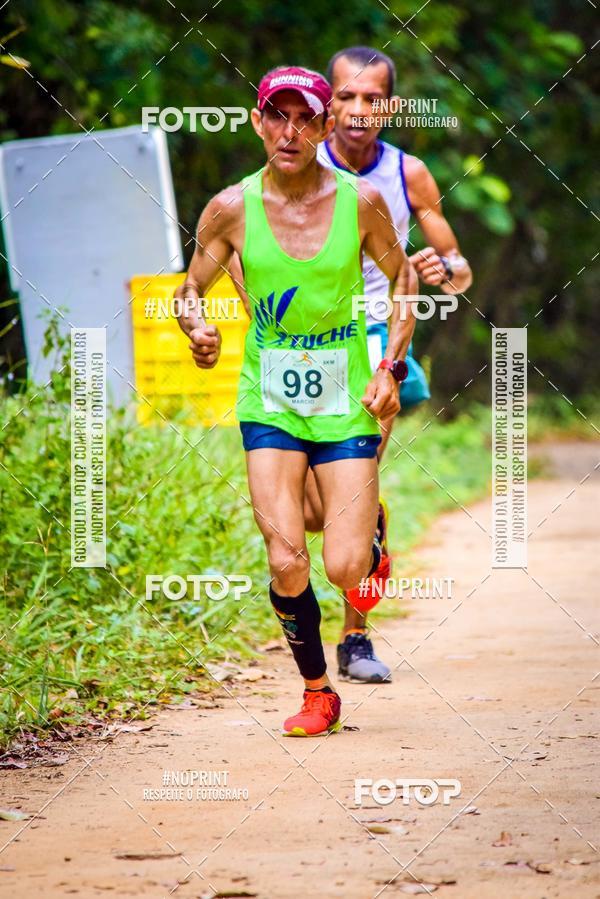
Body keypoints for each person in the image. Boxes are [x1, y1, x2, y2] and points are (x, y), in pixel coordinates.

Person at [176, 65, 413, 736]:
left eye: (305, 117)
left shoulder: (362, 202)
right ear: (256, 122)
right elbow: (188, 289)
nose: (290, 130)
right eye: (276, 116)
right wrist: (196, 327)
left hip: (343, 398)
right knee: (285, 555)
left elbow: (402, 285)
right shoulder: (230, 208)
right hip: (269, 397)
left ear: (326, 125)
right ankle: (318, 692)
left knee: (344, 567)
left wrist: (389, 366)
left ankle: (369, 534)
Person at [298, 46, 473, 685]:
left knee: (354, 491)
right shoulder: (297, 163)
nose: (358, 109)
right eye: (346, 95)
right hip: (303, 343)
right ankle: (349, 558)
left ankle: (355, 637)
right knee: (311, 508)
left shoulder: (409, 174)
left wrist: (440, 268)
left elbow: (457, 270)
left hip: (377, 341)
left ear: (390, 107)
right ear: (328, 101)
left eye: (372, 98)